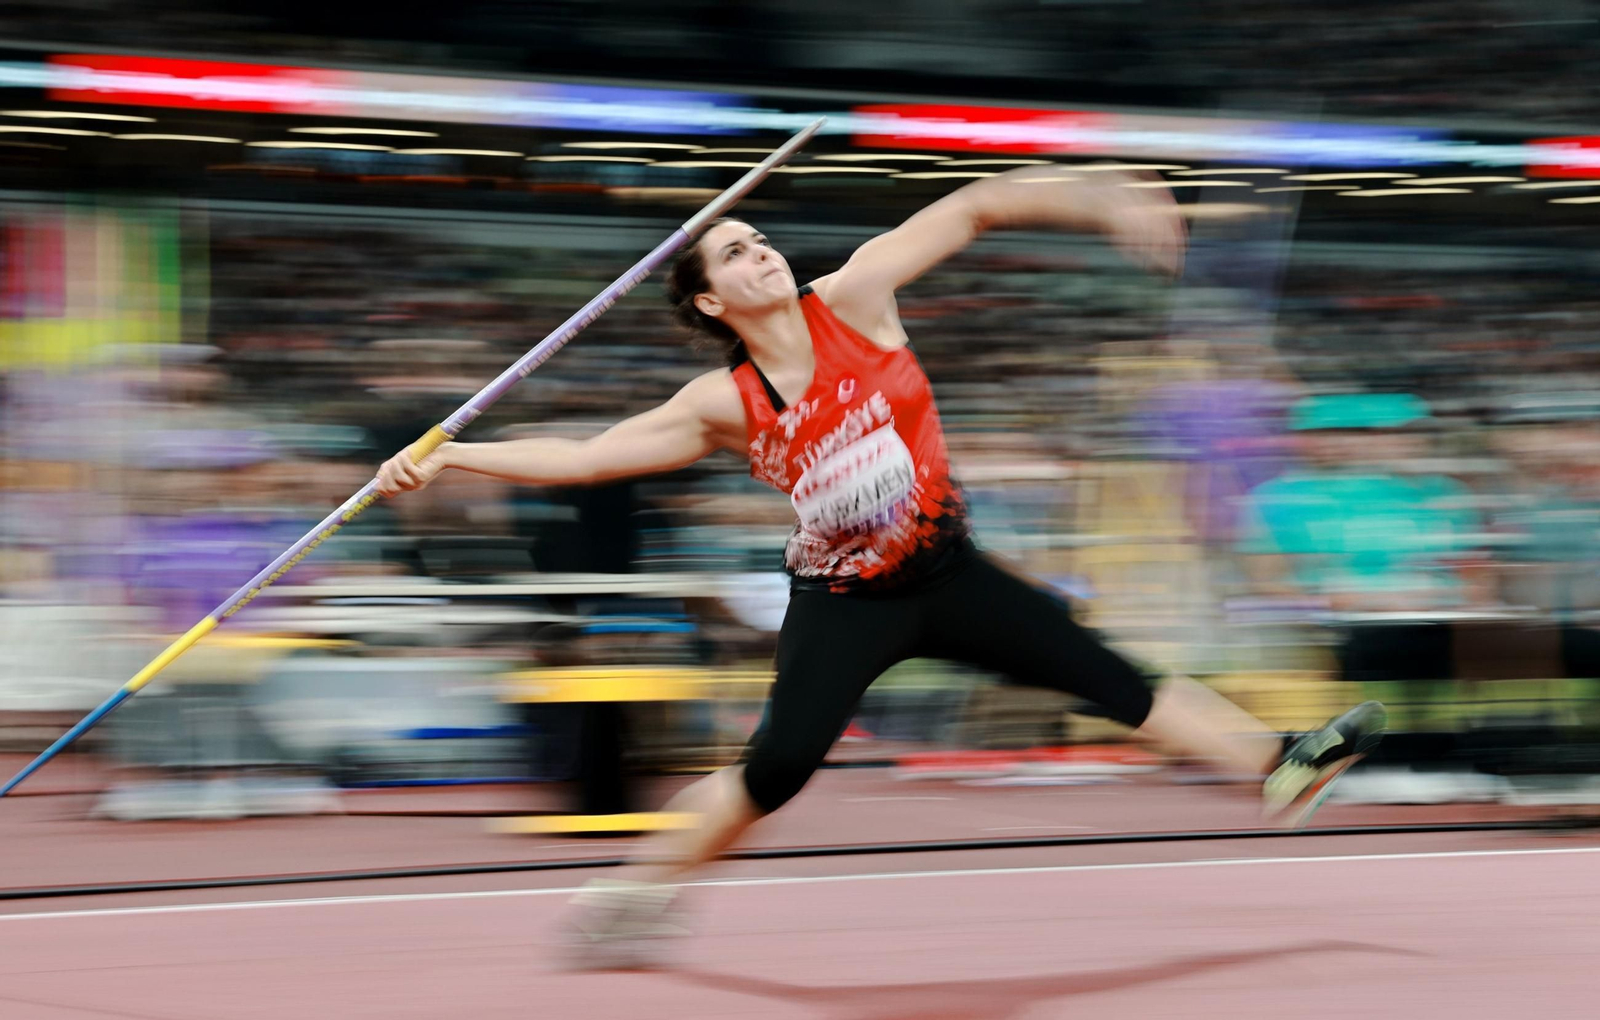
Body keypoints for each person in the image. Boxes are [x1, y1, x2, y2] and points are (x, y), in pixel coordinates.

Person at [374, 166, 1385, 967]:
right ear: (711, 301)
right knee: (773, 772)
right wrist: (454, 453)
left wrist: (1097, 192)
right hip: (844, 602)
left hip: (949, 573)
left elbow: (980, 205)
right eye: (733, 252)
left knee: (1106, 674)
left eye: (759, 238)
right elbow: (587, 457)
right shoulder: (721, 404)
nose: (759, 253)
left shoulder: (853, 297)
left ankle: (1280, 764)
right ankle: (636, 893)